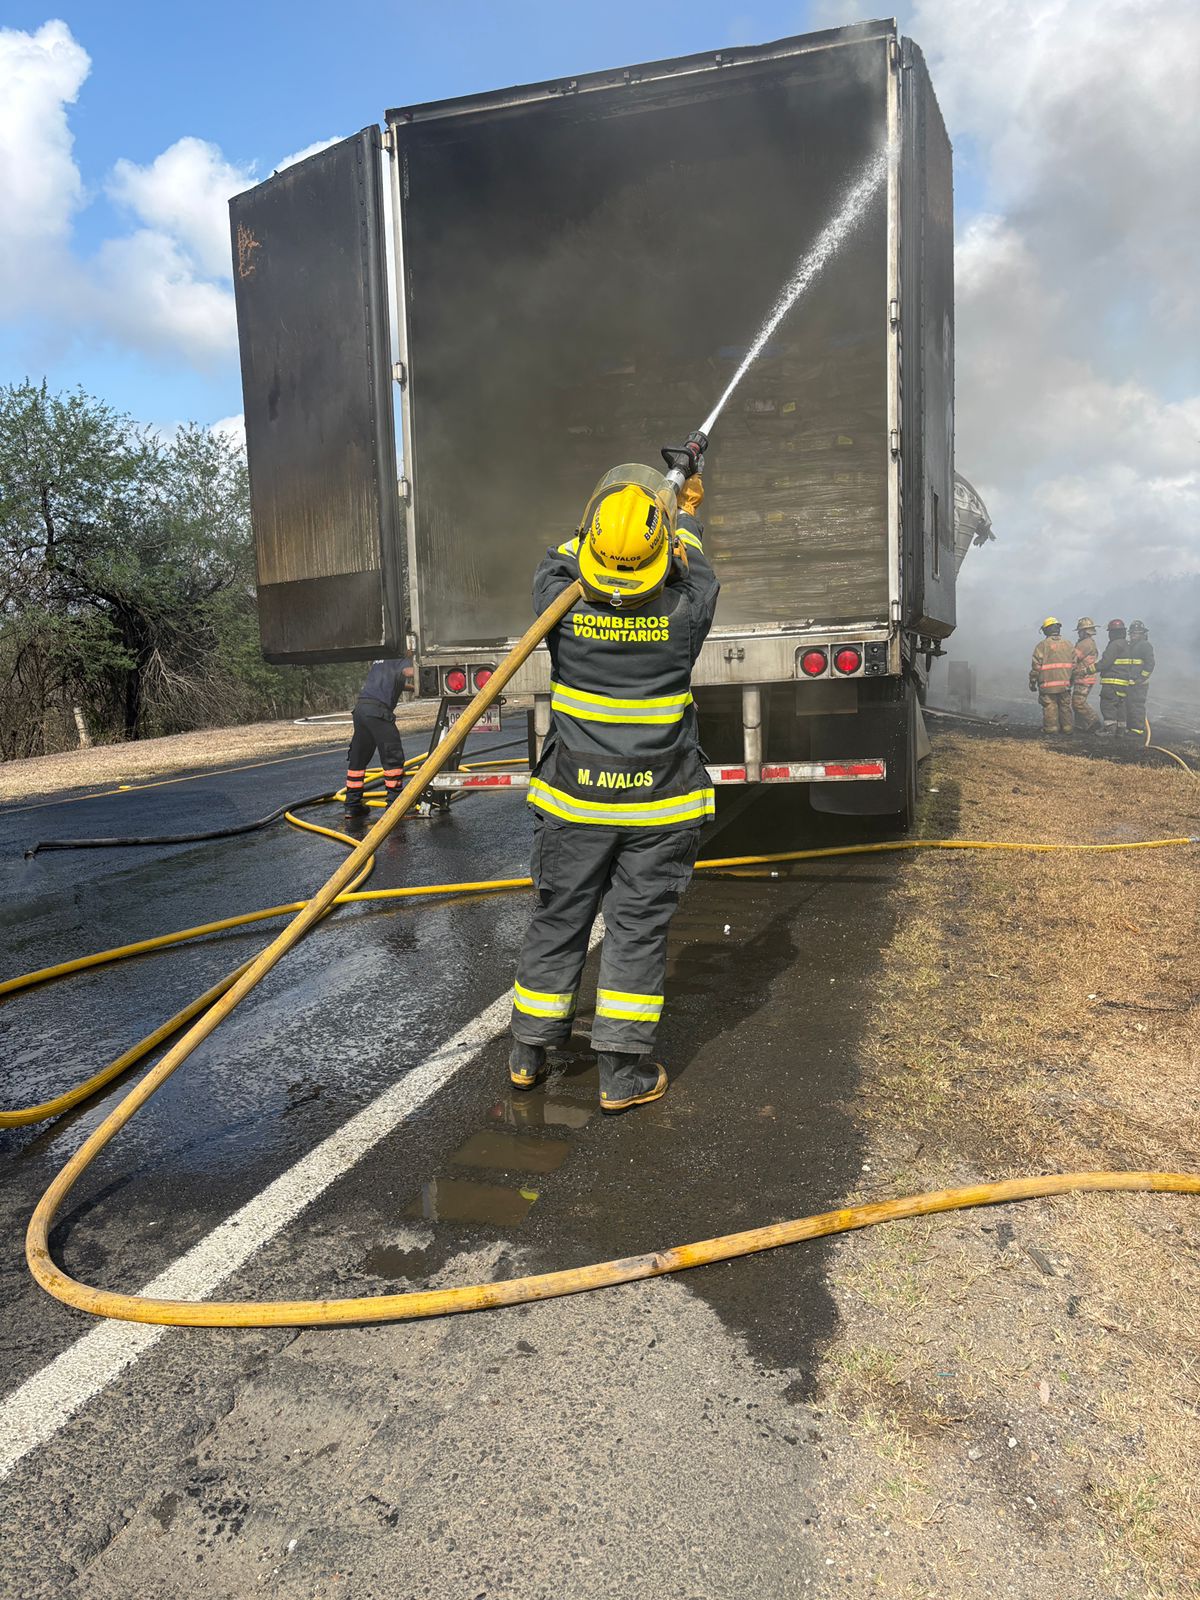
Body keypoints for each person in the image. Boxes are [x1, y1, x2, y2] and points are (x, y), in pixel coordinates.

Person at [508, 440, 719, 1113]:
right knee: (634, 931)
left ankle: (527, 1054)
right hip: (657, 814)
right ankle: (621, 1076)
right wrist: (678, 507)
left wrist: (616, 524)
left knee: (557, 918)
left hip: (574, 807)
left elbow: (564, 554)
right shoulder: (687, 613)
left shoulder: (559, 606)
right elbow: (695, 565)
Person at [345, 658, 412, 815]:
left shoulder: (380, 660)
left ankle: (352, 805)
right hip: (378, 711)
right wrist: (421, 670)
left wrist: (415, 688)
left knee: (359, 757)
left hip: (361, 710)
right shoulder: (400, 658)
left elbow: (391, 682)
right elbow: (408, 672)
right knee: (392, 755)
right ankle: (395, 806)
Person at [1028, 617, 1074, 734]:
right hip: (1065, 684)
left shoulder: (1042, 646)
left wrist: (1032, 681)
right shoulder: (1068, 644)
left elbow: (1036, 666)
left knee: (1050, 706)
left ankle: (1051, 728)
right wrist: (1071, 680)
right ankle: (1067, 728)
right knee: (1065, 706)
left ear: (1046, 630)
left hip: (1048, 685)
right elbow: (1074, 665)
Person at [1097, 619, 1134, 735]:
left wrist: (1087, 670)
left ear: (1112, 633)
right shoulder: (1127, 645)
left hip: (1112, 682)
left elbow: (1105, 663)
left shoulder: (1114, 645)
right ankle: (1120, 730)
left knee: (1108, 704)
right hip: (1123, 683)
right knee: (1120, 705)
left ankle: (1109, 730)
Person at [1123, 620, 1155, 737]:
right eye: (1132, 633)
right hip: (1130, 681)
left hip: (1140, 683)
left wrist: (1141, 678)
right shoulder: (1131, 645)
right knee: (1128, 704)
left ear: (1142, 634)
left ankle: (1137, 729)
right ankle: (1129, 726)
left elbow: (1150, 664)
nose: (1133, 635)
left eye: (1136, 633)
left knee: (1136, 704)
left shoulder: (1145, 645)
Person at [1070, 617, 1101, 733]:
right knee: (1076, 702)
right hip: (1082, 677)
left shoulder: (1085, 643)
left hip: (1084, 678)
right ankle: (1080, 725)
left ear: (1085, 631)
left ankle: (1094, 721)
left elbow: (1074, 659)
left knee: (1078, 703)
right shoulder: (1088, 642)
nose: (1079, 633)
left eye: (1080, 631)